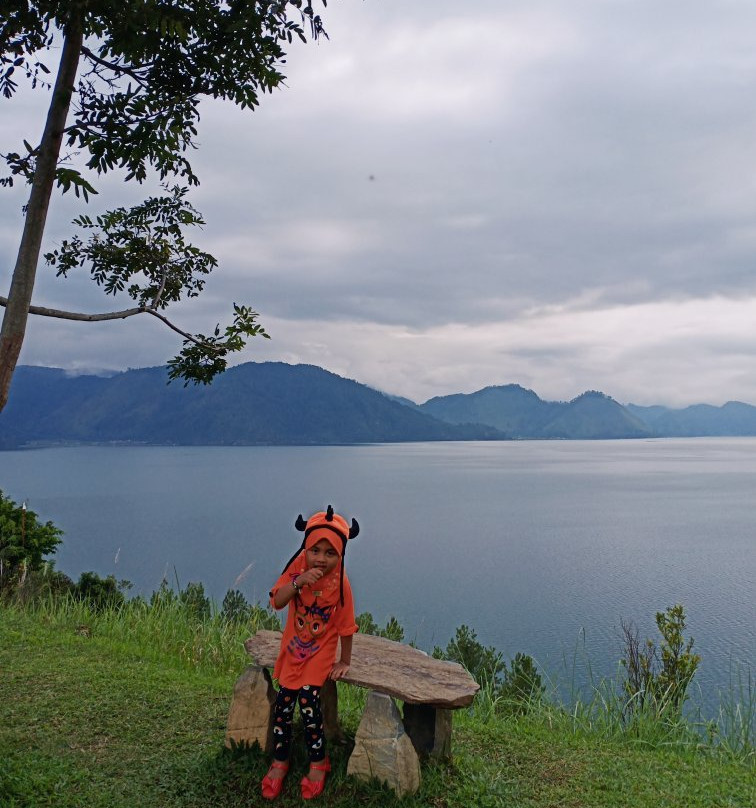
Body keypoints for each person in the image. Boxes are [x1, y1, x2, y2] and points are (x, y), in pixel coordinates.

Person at [261, 505, 360, 801]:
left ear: (340, 555)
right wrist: (298, 582)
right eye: (315, 550)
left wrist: (344, 660)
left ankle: (319, 762)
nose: (322, 558)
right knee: (282, 704)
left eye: (331, 553)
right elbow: (277, 601)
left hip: (320, 653)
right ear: (305, 548)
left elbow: (346, 626)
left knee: (307, 702)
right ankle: (280, 760)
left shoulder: (340, 584)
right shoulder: (296, 571)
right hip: (293, 649)